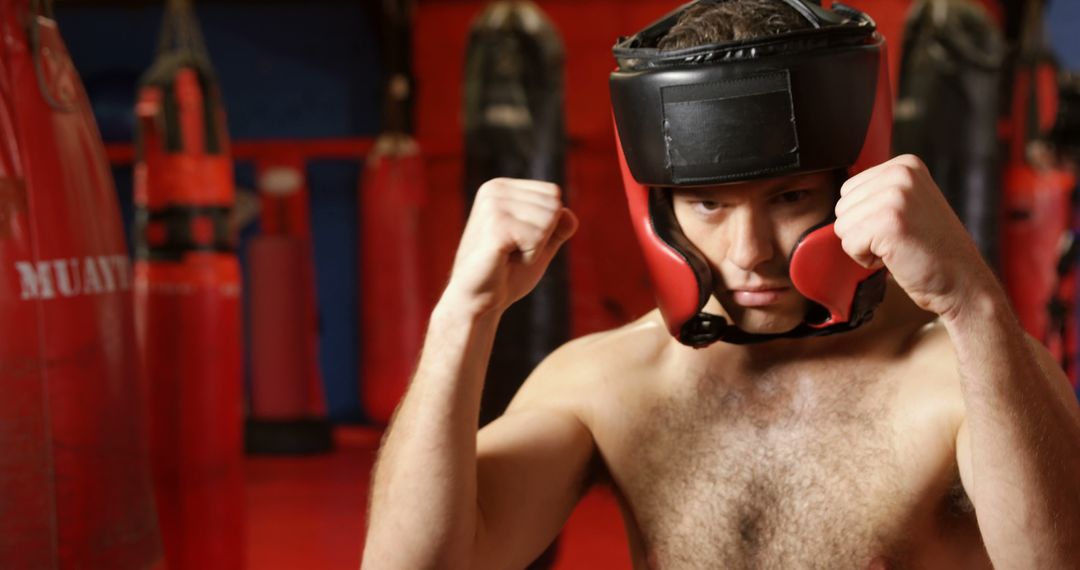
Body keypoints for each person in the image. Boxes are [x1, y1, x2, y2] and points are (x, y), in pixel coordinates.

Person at [362, 1, 1080, 568]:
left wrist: (972, 304)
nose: (750, 253)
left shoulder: (960, 377)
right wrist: (463, 314)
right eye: (709, 204)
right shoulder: (607, 385)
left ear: (855, 183)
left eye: (790, 197)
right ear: (659, 205)